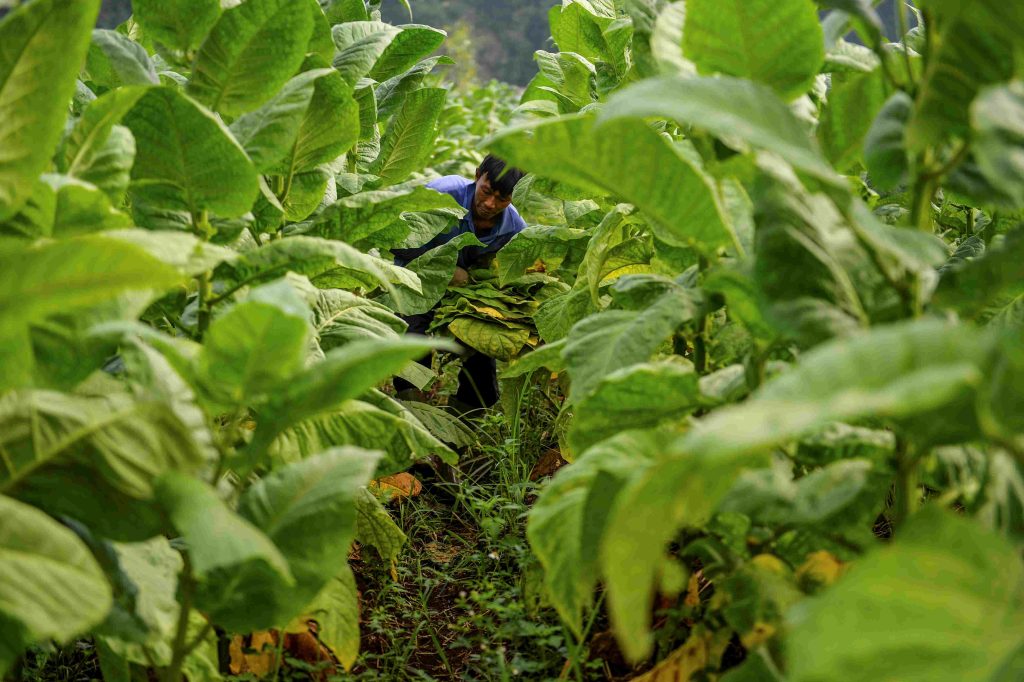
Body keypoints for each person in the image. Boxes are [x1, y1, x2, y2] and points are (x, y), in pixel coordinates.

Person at [392, 155, 527, 409]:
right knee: (413, 345)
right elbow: (397, 240)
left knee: (482, 365)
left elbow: (515, 269)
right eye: (486, 191)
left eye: (502, 199)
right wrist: (445, 269)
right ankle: (414, 415)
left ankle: (459, 431)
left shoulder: (514, 228)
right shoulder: (443, 195)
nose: (490, 203)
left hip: (465, 297)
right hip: (417, 281)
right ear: (477, 175)